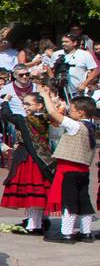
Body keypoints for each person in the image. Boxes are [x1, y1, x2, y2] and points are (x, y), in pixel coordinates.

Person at [39, 90, 95, 243]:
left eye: (73, 109)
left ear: (81, 112)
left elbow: (52, 113)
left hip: (69, 169)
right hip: (83, 169)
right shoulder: (90, 126)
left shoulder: (75, 126)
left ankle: (67, 233)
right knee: (83, 200)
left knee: (68, 201)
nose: (70, 111)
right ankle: (86, 232)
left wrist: (45, 95)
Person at [0, 92, 52, 234]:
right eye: (24, 103)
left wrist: (5, 102)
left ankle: (34, 225)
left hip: (29, 158)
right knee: (40, 191)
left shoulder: (24, 120)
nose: (25, 106)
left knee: (32, 193)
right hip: (44, 158)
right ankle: (40, 220)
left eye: (28, 104)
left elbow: (6, 115)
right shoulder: (48, 118)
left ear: (40, 106)